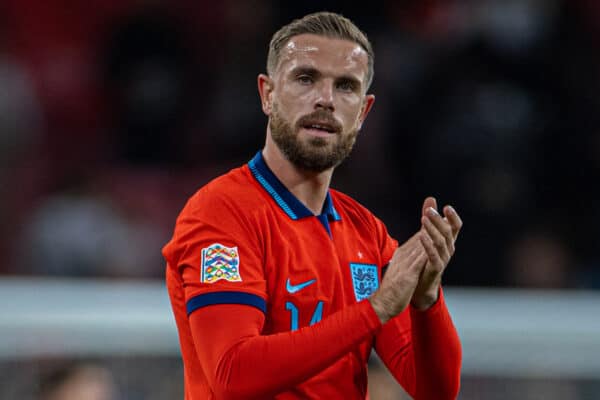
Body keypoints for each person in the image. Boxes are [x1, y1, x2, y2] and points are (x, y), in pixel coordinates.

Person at [163, 11, 462, 400]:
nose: (325, 100)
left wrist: (427, 302)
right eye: (306, 79)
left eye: (345, 86)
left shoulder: (366, 235)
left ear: (363, 112)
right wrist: (375, 309)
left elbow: (435, 391)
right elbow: (233, 374)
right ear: (267, 94)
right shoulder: (221, 212)